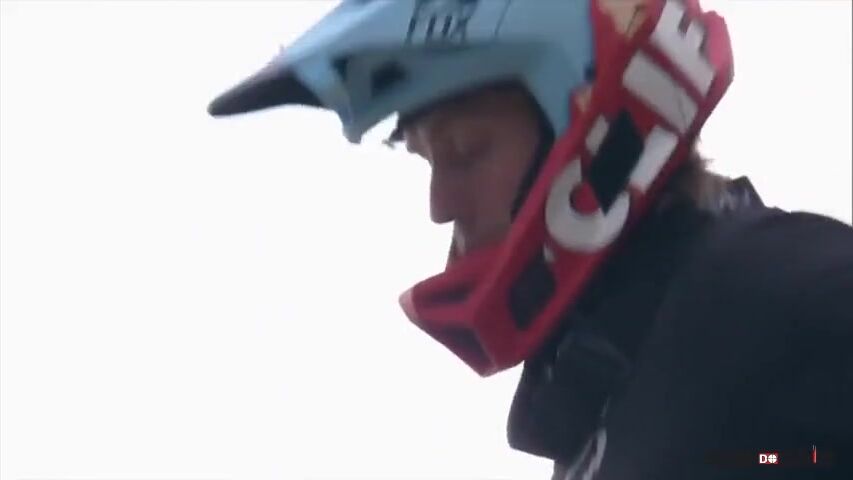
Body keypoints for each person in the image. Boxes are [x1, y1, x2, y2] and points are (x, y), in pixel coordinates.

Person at [206, 0, 853, 478]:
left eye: (464, 150)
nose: (438, 205)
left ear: (592, 114)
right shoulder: (611, 397)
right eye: (428, 160)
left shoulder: (770, 288)